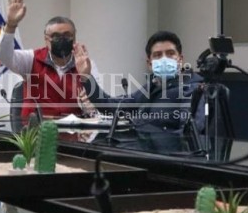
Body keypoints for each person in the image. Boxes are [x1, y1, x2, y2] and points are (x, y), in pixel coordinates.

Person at [74, 30, 205, 153]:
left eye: (170, 53)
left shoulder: (192, 89)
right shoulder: (152, 87)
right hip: (143, 157)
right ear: (149, 63)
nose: (164, 59)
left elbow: (187, 137)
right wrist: (87, 77)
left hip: (170, 164)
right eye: (157, 55)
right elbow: (110, 106)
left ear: (180, 59)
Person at [0, 0, 100, 122]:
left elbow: (96, 107)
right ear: (46, 39)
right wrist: (11, 25)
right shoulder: (31, 59)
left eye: (67, 35)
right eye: (55, 36)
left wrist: (90, 106)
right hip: (35, 133)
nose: (62, 39)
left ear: (74, 38)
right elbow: (3, 56)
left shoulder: (85, 64)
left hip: (74, 135)